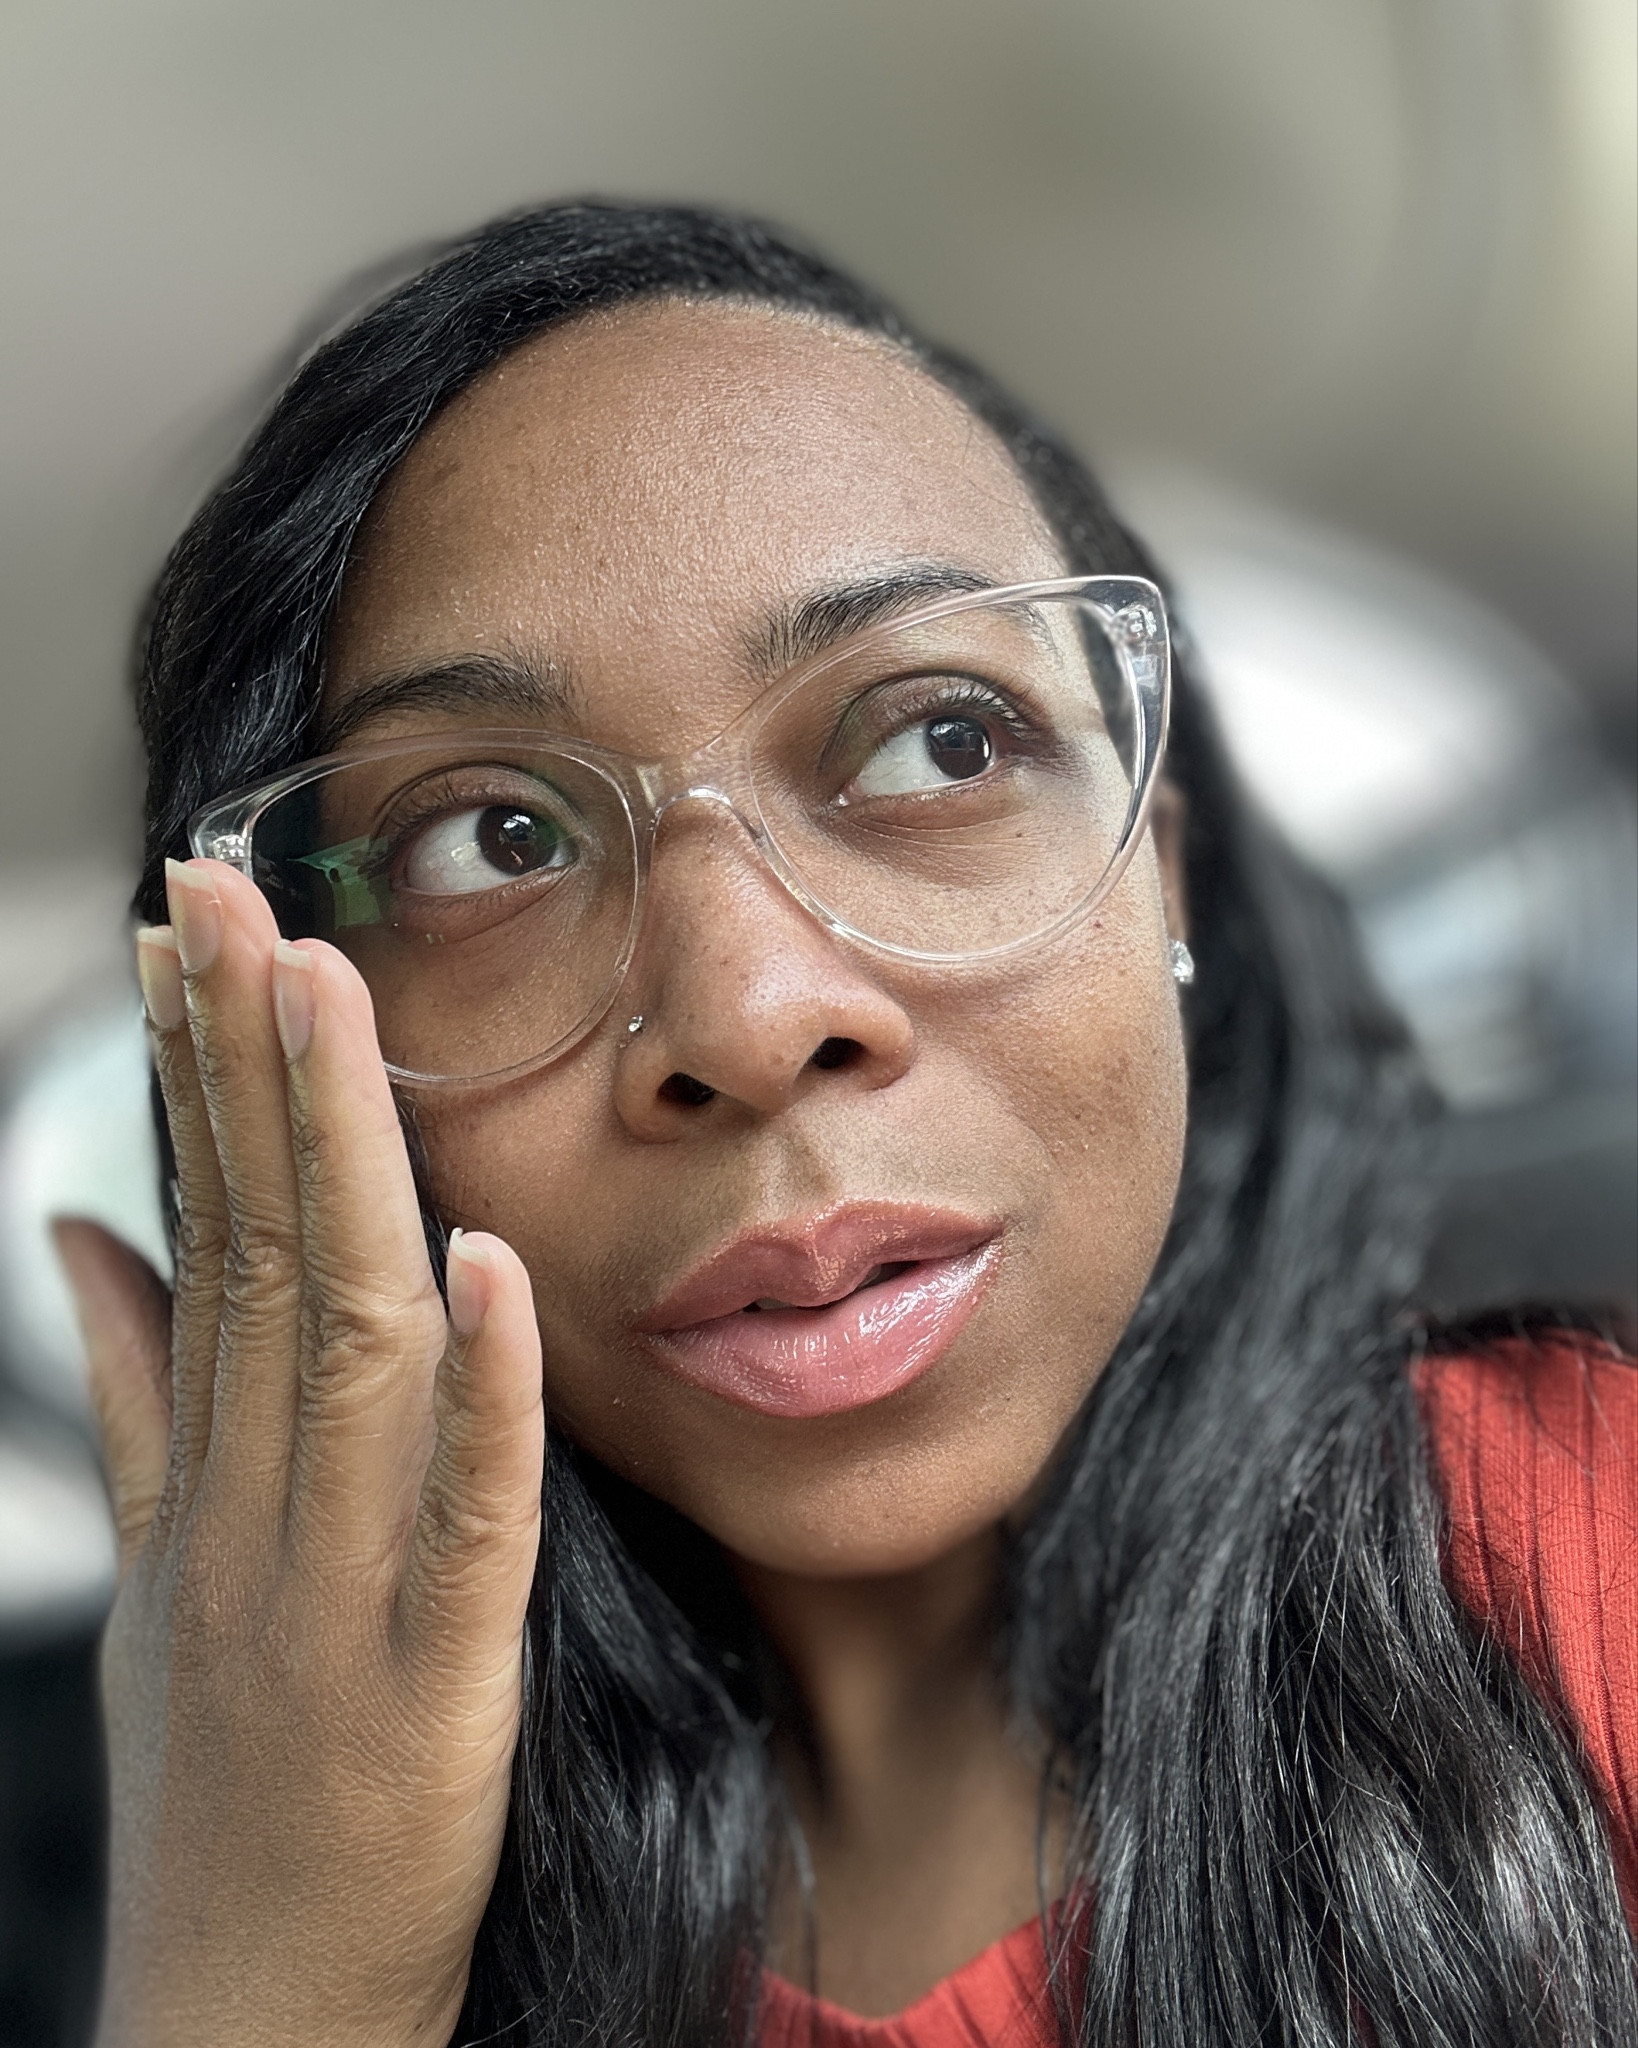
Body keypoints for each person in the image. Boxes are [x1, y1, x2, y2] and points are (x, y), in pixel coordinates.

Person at [51, 204, 1634, 2048]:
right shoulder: (307, 1889)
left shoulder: (1585, 1550)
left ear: (1160, 869)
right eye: (494, 842)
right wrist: (264, 1972)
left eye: (937, 744)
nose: (749, 1019)